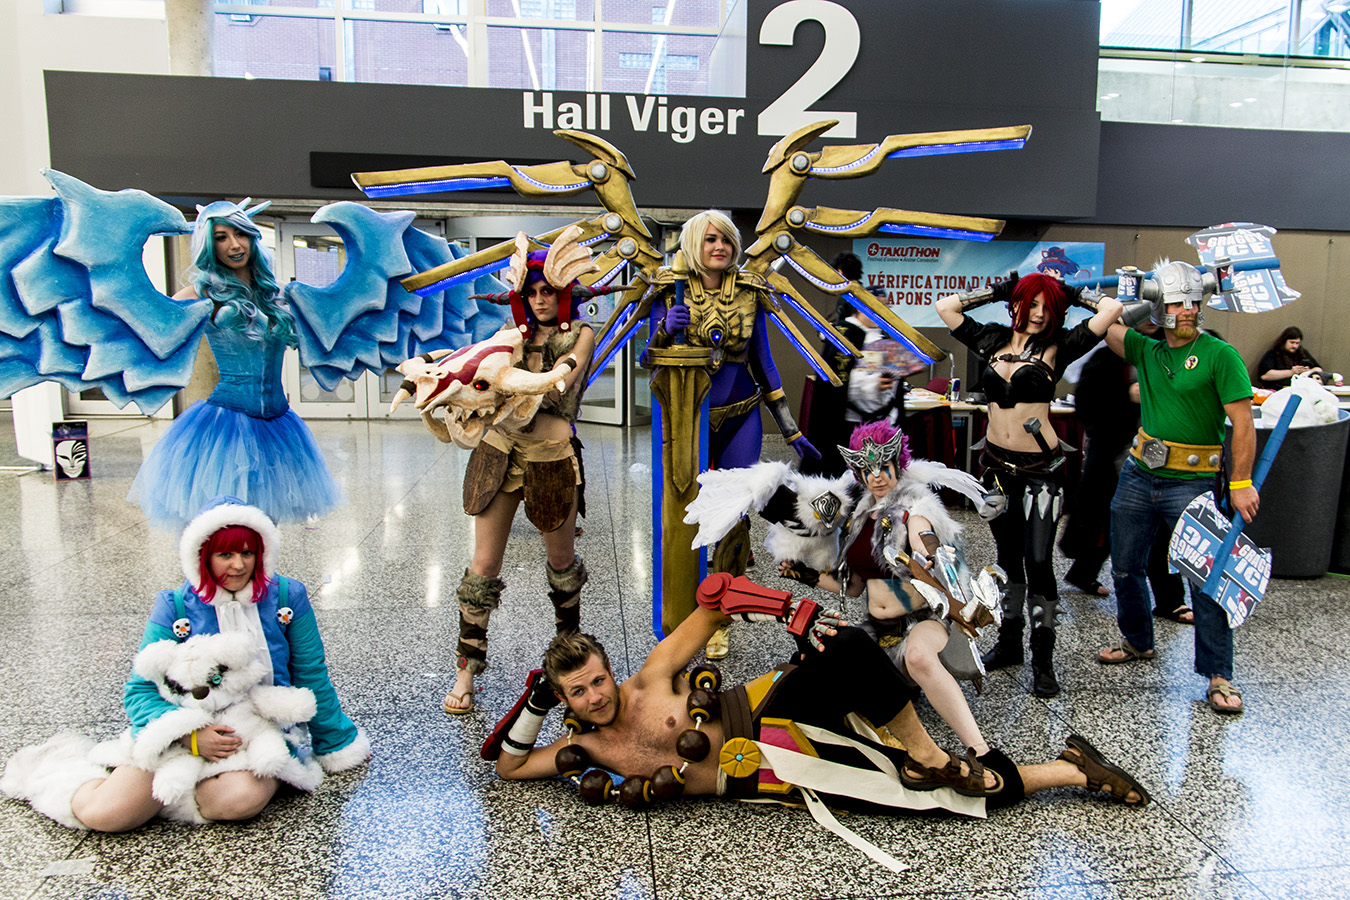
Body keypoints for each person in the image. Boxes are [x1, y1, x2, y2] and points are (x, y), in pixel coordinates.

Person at [485, 577, 1148, 869]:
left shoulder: (649, 680)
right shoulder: (584, 749)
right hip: (773, 772)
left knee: (847, 644)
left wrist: (792, 613)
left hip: (768, 709)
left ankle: (930, 755)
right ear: (564, 700)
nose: (596, 696)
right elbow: (510, 766)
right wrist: (536, 704)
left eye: (598, 679)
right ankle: (1072, 769)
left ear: (611, 670)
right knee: (935, 802)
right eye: (578, 692)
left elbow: (715, 598)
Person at [1, 497, 370, 830]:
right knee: (106, 814)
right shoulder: (175, 606)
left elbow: (310, 674)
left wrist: (336, 743)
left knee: (236, 801)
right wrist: (189, 736)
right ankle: (55, 765)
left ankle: (180, 793)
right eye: (225, 555)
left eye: (248, 553)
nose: (239, 565)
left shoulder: (287, 596)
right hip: (181, 732)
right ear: (201, 556)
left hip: (255, 732)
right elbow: (140, 689)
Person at [770, 421, 1003, 782]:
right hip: (877, 632)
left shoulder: (915, 508)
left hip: (922, 621)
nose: (876, 476)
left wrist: (930, 555)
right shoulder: (860, 517)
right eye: (867, 469)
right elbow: (853, 588)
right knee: (821, 663)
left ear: (898, 462)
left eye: (883, 466)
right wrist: (808, 576)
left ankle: (983, 752)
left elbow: (925, 538)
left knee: (919, 657)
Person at [935, 274, 1123, 698]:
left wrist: (1070, 293)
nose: (1039, 314)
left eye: (1047, 307)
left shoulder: (1060, 346)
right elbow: (947, 307)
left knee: (1038, 561)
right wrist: (1002, 290)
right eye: (1031, 304)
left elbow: (1111, 309)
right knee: (1007, 558)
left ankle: (1043, 661)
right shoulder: (991, 339)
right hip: (995, 468)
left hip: (1041, 471)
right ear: (1016, 304)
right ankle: (1010, 644)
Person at [644, 210, 818, 658]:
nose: (719, 246)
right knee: (687, 514)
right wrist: (664, 330)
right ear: (693, 244)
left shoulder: (751, 292)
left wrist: (791, 431)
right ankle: (684, 607)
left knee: (734, 516)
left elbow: (765, 363)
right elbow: (647, 359)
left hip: (741, 416)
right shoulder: (668, 289)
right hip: (689, 420)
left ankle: (722, 613)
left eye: (726, 239)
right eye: (710, 239)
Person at [442, 231, 597, 715]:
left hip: (551, 454)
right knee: (483, 565)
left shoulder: (581, 334)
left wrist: (505, 378)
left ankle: (571, 663)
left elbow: (560, 380)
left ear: (563, 291)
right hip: (499, 449)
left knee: (561, 564)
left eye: (547, 291)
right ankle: (466, 669)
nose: (539, 300)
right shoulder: (510, 335)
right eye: (531, 292)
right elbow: (478, 378)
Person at [1096, 261, 1256, 715]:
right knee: (1125, 567)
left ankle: (1219, 675)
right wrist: (1134, 295)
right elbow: (1105, 328)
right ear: (1160, 307)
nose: (1187, 310)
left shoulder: (1220, 355)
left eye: (1193, 301)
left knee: (1205, 580)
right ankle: (1137, 640)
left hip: (1194, 480)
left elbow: (1243, 423)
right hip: (1139, 473)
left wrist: (1241, 482)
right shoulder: (1147, 350)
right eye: (1177, 302)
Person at [126, 200, 344, 530]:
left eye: (240, 234)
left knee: (265, 526)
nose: (234, 245)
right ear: (208, 245)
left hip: (279, 425)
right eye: (221, 237)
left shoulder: (278, 295)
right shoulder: (199, 294)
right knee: (227, 525)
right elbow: (150, 332)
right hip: (226, 425)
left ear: (252, 237)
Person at [1059, 328, 1194, 624]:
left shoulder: (1177, 353)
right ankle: (1086, 573)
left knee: (1159, 529)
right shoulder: (1109, 357)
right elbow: (1086, 402)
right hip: (1118, 455)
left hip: (1168, 454)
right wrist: (1126, 396)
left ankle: (1169, 600)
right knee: (1112, 522)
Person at [1256, 326, 1324, 388]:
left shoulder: (1302, 353)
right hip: (1279, 389)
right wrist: (1291, 372)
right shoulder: (1273, 354)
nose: (1294, 346)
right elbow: (1265, 376)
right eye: (1292, 342)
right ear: (1284, 341)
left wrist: (1308, 372)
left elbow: (1319, 369)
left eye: (1297, 343)